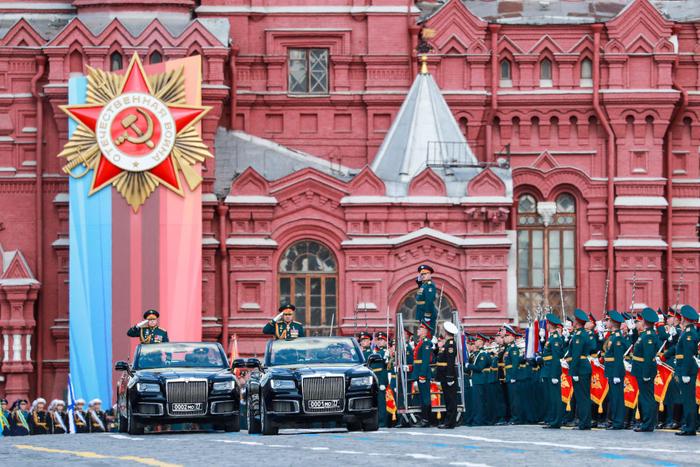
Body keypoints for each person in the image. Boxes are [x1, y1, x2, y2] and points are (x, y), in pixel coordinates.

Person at [631, 307, 660, 432]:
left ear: (644, 321)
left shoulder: (649, 336)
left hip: (644, 369)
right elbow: (635, 345)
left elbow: (648, 357)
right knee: (645, 396)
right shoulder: (644, 334)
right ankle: (647, 422)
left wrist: (646, 373)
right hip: (641, 369)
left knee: (647, 397)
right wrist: (633, 330)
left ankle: (648, 424)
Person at [568, 308, 595, 430]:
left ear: (577, 322)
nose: (573, 323)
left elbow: (576, 355)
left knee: (582, 397)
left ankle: (584, 423)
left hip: (580, 368)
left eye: (574, 321)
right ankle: (585, 421)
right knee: (583, 396)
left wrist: (573, 371)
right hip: (584, 366)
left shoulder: (579, 336)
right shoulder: (583, 334)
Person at [674, 304, 699, 436]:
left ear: (685, 318)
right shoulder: (687, 332)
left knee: (689, 400)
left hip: (687, 370)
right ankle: (688, 425)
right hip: (685, 368)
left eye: (682, 317)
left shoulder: (689, 334)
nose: (681, 319)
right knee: (687, 399)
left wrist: (685, 373)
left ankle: (690, 427)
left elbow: (689, 355)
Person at [603, 310, 626, 430]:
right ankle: (615, 420)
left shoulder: (617, 337)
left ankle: (618, 422)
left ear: (612, 322)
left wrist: (617, 374)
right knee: (613, 397)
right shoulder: (612, 336)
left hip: (615, 371)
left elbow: (617, 357)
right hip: (611, 370)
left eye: (608, 320)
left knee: (617, 397)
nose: (606, 323)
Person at [541, 313, 564, 429]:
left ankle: (556, 421)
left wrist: (555, 374)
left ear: (550, 325)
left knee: (555, 397)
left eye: (547, 324)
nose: (546, 326)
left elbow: (556, 357)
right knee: (550, 397)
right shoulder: (551, 338)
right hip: (547, 369)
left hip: (552, 370)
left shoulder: (555, 339)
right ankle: (552, 419)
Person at [436, 321, 459, 429]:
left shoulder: (450, 344)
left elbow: (450, 362)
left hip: (448, 375)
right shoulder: (446, 344)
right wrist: (436, 347)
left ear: (446, 332)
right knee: (447, 398)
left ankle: (450, 422)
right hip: (444, 375)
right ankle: (448, 421)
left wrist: (450, 377)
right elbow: (440, 357)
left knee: (451, 399)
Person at [412, 322, 433, 427]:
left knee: (425, 397)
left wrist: (422, 375)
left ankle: (426, 419)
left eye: (420, 329)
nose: (418, 331)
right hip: (419, 371)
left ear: (425, 331)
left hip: (422, 372)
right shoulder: (421, 342)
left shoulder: (426, 343)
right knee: (422, 396)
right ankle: (424, 418)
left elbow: (425, 360)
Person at [466, 334, 490, 426]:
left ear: (481, 342)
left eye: (477, 340)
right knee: (476, 401)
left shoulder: (483, 354)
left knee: (479, 402)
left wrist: (468, 365)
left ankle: (479, 420)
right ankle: (476, 419)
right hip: (476, 380)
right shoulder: (478, 354)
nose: (475, 342)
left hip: (480, 380)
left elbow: (479, 367)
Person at [502, 325, 523, 425]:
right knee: (511, 399)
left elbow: (515, 364)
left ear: (512, 337)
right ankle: (513, 417)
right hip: (509, 375)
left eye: (506, 336)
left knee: (515, 399)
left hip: (512, 376)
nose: (504, 338)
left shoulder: (513, 348)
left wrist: (514, 376)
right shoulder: (508, 348)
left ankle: (516, 418)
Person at [371, 331, 390, 427]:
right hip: (374, 379)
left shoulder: (385, 352)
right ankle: (377, 420)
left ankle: (383, 422)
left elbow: (385, 369)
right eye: (378, 340)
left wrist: (383, 382)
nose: (379, 342)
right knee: (376, 402)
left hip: (381, 380)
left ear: (386, 342)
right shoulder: (375, 352)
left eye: (382, 340)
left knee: (382, 402)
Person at [415, 265, 437, 337]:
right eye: (422, 274)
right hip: (421, 311)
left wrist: (427, 314)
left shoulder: (429, 286)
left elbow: (429, 301)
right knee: (423, 332)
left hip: (426, 312)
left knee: (427, 332)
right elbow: (421, 295)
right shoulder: (423, 285)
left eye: (425, 274)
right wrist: (419, 283)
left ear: (430, 274)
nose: (423, 276)